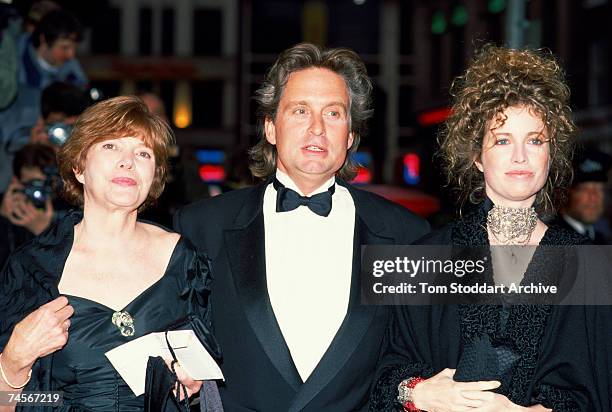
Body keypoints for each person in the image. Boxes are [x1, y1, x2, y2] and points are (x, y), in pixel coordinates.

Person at [173, 42, 429, 411]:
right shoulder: (202, 227)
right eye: (300, 110)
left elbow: (417, 352)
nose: (317, 128)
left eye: (334, 113)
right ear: (271, 129)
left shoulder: (405, 235)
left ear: (351, 136)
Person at [370, 46, 610, 411]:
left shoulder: (592, 268)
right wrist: (419, 393)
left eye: (535, 140)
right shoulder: (424, 258)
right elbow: (377, 377)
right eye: (502, 140)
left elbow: (599, 391)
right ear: (478, 156)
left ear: (551, 153)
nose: (520, 156)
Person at [0, 96, 220, 411]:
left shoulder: (186, 262)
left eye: (143, 153)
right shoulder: (32, 268)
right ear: (79, 167)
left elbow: (218, 382)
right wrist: (13, 361)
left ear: (154, 176)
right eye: (110, 146)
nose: (127, 161)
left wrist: (196, 389)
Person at [0, 8, 87, 194]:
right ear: (43, 40)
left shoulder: (73, 74)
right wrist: (26, 139)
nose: (71, 55)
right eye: (64, 47)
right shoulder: (12, 67)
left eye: (73, 48)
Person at [0, 143, 59, 268]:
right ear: (16, 181)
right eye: (34, 184)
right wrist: (4, 220)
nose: (40, 192)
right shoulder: (6, 205)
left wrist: (44, 232)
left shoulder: (67, 211)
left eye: (47, 184)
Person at [555, 147, 612, 244]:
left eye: (600, 189)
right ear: (563, 194)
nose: (594, 198)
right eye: (584, 189)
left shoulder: (600, 240)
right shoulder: (553, 241)